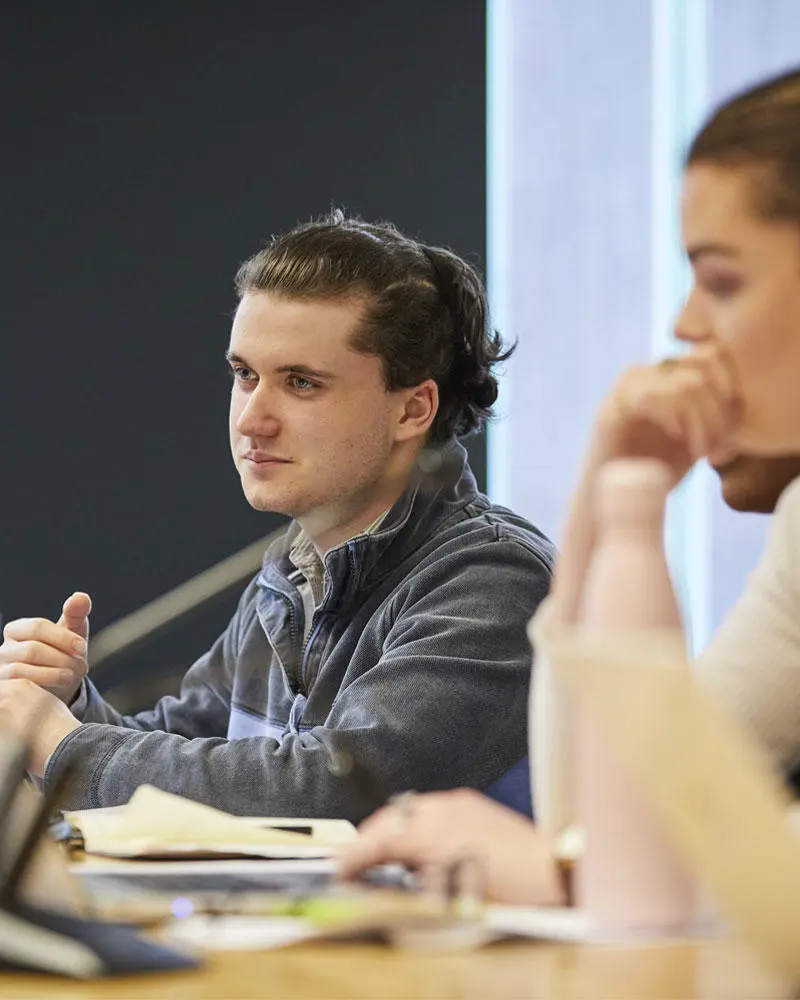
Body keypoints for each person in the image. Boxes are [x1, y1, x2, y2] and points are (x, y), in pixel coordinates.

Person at [338, 67, 800, 900]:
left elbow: (620, 854)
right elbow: (600, 812)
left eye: (724, 280)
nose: (685, 324)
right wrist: (609, 492)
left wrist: (566, 872)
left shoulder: (475, 568)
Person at [0, 212, 554, 817]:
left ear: (413, 409)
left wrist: (62, 745)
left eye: (301, 383)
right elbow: (185, 753)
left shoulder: (494, 580)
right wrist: (70, 702)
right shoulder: (292, 572)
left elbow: (332, 790)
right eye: (245, 375)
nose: (251, 419)